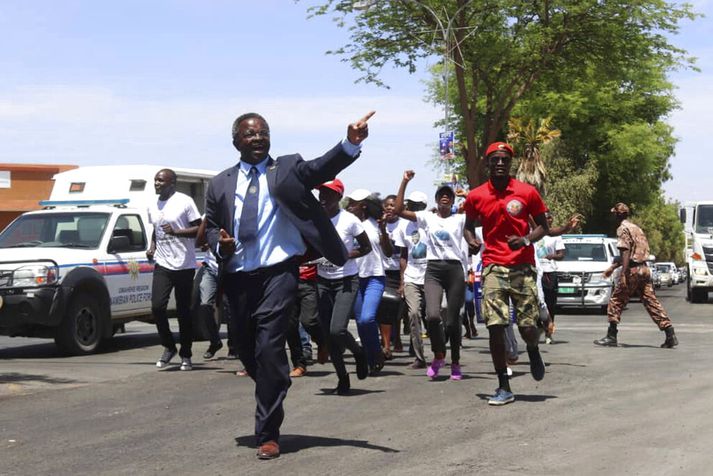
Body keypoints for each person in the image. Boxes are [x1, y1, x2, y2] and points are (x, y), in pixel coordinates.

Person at [205, 111, 374, 460]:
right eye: (250, 134)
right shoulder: (219, 183)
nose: (258, 138)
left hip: (278, 274)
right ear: (236, 140)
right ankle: (275, 379)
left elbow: (321, 168)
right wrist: (216, 241)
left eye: (263, 133)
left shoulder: (285, 169)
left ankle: (267, 433)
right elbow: (210, 226)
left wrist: (350, 143)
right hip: (237, 277)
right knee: (250, 353)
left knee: (269, 348)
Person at [463, 142, 550, 406]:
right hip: (492, 265)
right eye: (495, 160)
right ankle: (503, 384)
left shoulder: (526, 192)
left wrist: (525, 240)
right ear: (487, 164)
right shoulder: (476, 196)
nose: (500, 163)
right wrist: (471, 240)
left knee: (526, 328)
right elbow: (468, 227)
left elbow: (544, 227)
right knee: (495, 327)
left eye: (504, 160)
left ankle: (533, 348)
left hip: (522, 266)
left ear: (510, 163)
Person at [395, 171, 480, 381]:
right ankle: (439, 354)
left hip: (454, 270)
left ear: (452, 201)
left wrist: (466, 196)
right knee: (432, 315)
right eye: (441, 195)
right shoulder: (427, 218)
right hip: (433, 271)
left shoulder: (460, 219)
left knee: (452, 322)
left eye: (448, 195)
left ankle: (456, 363)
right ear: (435, 200)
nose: (445, 197)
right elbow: (398, 210)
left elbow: (478, 211)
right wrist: (404, 181)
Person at [594, 203, 678, 348]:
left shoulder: (622, 229)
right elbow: (636, 253)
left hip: (632, 270)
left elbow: (626, 253)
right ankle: (670, 333)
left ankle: (611, 335)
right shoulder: (637, 229)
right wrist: (613, 267)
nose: (613, 216)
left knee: (616, 301)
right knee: (651, 302)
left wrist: (623, 274)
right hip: (644, 269)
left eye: (614, 213)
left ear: (619, 215)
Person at [316, 179, 372, 394]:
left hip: (346, 280)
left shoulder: (349, 220)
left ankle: (358, 353)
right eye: (321, 193)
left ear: (339, 197)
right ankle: (342, 378)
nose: (323, 197)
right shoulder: (316, 219)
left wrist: (344, 255)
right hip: (322, 281)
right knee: (329, 336)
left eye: (329, 194)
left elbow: (366, 247)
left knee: (337, 329)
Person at [147, 168, 202, 371]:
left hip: (184, 264)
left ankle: (186, 354)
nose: (157, 183)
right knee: (157, 307)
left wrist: (177, 231)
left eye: (161, 180)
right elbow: (156, 228)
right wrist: (152, 246)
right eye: (155, 180)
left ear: (172, 183)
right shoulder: (153, 204)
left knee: (183, 311)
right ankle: (169, 347)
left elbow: (199, 227)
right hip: (162, 263)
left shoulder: (184, 201)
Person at [346, 189, 390, 374]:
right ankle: (371, 359)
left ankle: (376, 352)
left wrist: (382, 230)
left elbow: (388, 252)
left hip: (374, 277)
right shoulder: (347, 224)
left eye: (353, 204)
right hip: (355, 278)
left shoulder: (375, 224)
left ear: (363, 206)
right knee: (361, 324)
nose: (349, 207)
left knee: (367, 318)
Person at [394, 191, 429, 369]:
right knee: (413, 314)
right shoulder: (402, 226)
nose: (412, 207)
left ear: (423, 207)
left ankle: (440, 349)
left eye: (417, 205)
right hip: (411, 277)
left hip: (431, 276)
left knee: (436, 315)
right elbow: (403, 256)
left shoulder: (431, 221)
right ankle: (419, 356)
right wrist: (402, 281)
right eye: (410, 204)